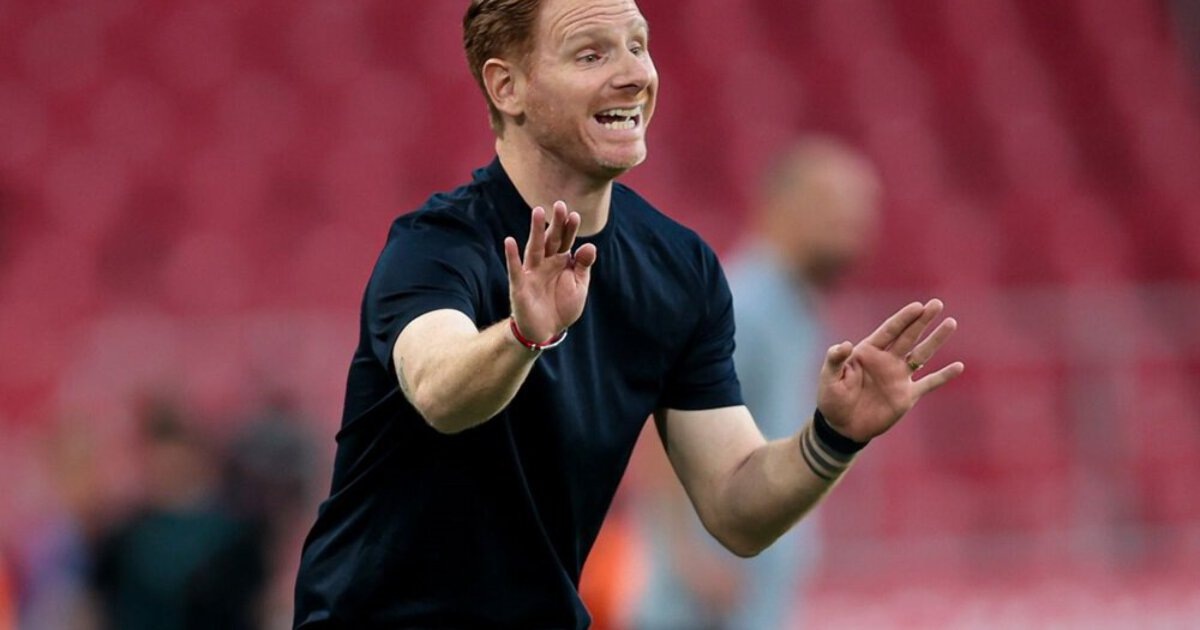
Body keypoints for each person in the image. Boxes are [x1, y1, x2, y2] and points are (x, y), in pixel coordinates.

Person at [292, 1, 964, 628]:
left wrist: (833, 437)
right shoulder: (436, 246)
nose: (634, 74)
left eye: (638, 47)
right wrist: (524, 335)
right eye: (591, 55)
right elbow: (441, 393)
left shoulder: (680, 269)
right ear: (507, 87)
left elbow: (734, 506)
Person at [632, 138, 882, 629]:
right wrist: (685, 556)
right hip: (706, 600)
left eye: (862, 210)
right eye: (834, 207)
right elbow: (661, 425)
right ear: (781, 206)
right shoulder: (743, 308)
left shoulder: (793, 306)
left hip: (743, 589)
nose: (854, 226)